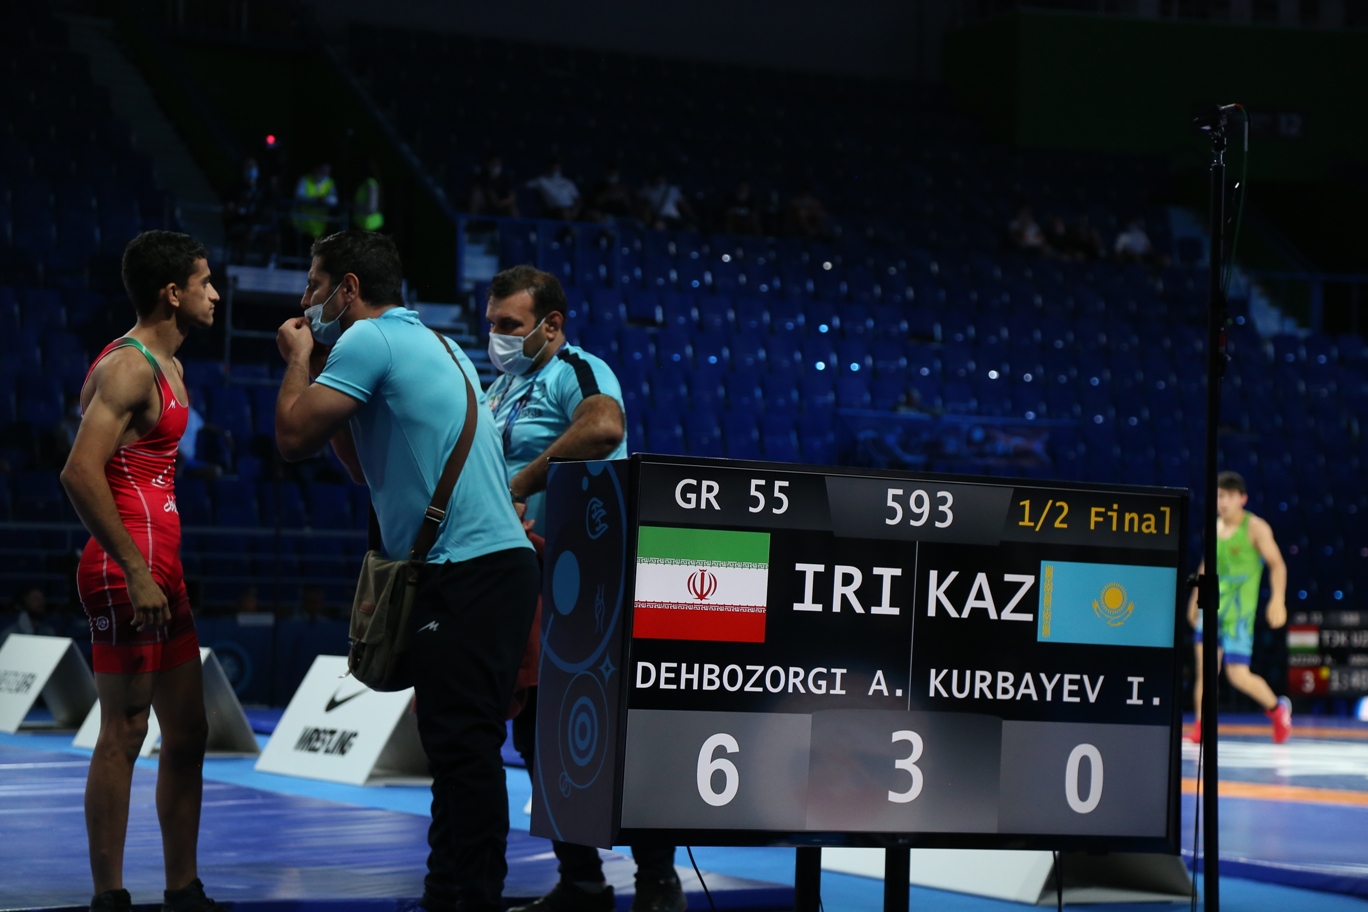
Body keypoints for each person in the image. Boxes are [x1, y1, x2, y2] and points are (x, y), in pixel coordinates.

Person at [273, 230, 538, 912]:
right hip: (488, 567)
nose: (305, 300)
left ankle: (467, 897)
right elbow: (360, 466)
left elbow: (293, 436)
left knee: (463, 747)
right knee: (456, 744)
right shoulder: (434, 342)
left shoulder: (368, 339)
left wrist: (298, 361)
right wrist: (325, 374)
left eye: (314, 284)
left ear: (349, 288)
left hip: (469, 568)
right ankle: (452, 891)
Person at [484, 266, 680, 912]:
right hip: (528, 577)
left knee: (614, 733)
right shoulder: (498, 389)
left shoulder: (578, 369)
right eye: (492, 323)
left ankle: (657, 883)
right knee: (538, 731)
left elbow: (603, 429)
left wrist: (520, 484)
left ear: (552, 324)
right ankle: (581, 881)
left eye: (510, 324)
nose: (497, 336)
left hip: (590, 576)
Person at [58, 230, 221, 912]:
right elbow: (79, 472)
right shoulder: (129, 367)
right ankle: (110, 897)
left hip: (160, 566)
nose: (216, 294)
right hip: (131, 567)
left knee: (188, 732)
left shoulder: (169, 365)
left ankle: (183, 888)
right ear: (172, 293)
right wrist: (132, 568)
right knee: (124, 731)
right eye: (205, 282)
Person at [1187, 471, 1292, 745]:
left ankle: (1277, 708)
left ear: (1242, 499)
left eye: (1229, 496)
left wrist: (1277, 599)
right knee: (1205, 671)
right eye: (1219, 496)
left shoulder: (1255, 528)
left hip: (1240, 615)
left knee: (1238, 675)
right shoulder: (1212, 528)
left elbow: (1277, 565)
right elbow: (1206, 565)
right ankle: (1200, 726)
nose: (1223, 502)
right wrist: (1194, 598)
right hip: (1211, 609)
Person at [292, 162, 338, 244]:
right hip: (302, 224)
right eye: (322, 171)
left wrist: (325, 200)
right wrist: (315, 200)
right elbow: (299, 196)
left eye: (327, 172)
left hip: (318, 226)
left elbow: (334, 200)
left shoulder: (330, 182)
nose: (325, 174)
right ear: (315, 169)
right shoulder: (305, 179)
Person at [352, 160, 384, 232]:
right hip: (365, 225)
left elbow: (371, 208)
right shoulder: (366, 183)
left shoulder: (370, 183)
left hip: (370, 225)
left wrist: (353, 206)